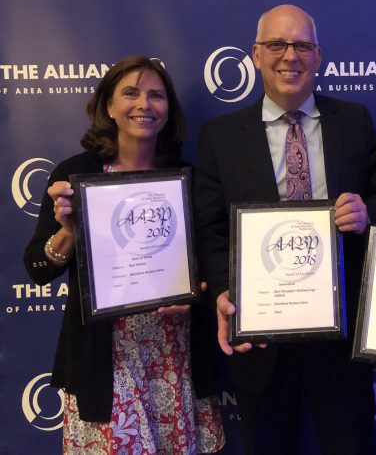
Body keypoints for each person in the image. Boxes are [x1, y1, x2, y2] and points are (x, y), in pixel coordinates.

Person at [195, 4, 376, 455]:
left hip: (341, 341)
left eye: (302, 45)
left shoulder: (354, 122)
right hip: (261, 339)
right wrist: (223, 292)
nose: (290, 56)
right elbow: (210, 229)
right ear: (256, 55)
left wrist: (366, 213)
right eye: (277, 45)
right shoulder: (220, 137)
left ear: (318, 57)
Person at [24, 56, 225, 454]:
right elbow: (38, 269)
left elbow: (210, 265)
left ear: (168, 110)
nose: (144, 105)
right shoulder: (76, 173)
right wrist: (68, 233)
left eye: (156, 95)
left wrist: (195, 297)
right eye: (130, 93)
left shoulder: (187, 176)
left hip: (175, 354)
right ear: (110, 106)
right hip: (107, 360)